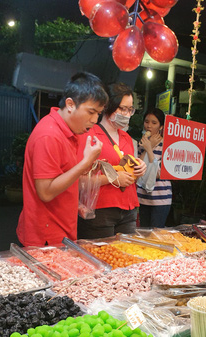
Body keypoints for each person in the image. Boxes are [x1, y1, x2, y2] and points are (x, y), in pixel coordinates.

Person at [17, 72, 108, 246]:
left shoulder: (74, 131)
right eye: (91, 112)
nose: (95, 120)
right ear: (70, 104)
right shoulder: (49, 135)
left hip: (63, 230)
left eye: (99, 113)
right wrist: (85, 163)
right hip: (44, 236)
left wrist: (76, 202)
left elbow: (65, 177)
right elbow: (45, 192)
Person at [77, 83, 146, 239]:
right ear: (108, 106)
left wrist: (139, 169)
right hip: (101, 210)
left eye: (130, 109)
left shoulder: (127, 138)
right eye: (123, 109)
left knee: (127, 258)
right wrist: (113, 178)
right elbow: (78, 179)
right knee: (101, 257)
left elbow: (129, 171)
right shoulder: (90, 135)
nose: (127, 114)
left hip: (129, 208)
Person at [136, 108, 173, 228]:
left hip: (161, 198)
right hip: (142, 197)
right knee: (144, 235)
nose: (149, 126)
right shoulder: (141, 144)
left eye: (154, 123)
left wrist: (149, 149)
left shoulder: (167, 145)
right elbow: (137, 168)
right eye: (146, 122)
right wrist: (147, 146)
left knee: (156, 235)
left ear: (161, 126)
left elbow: (160, 173)